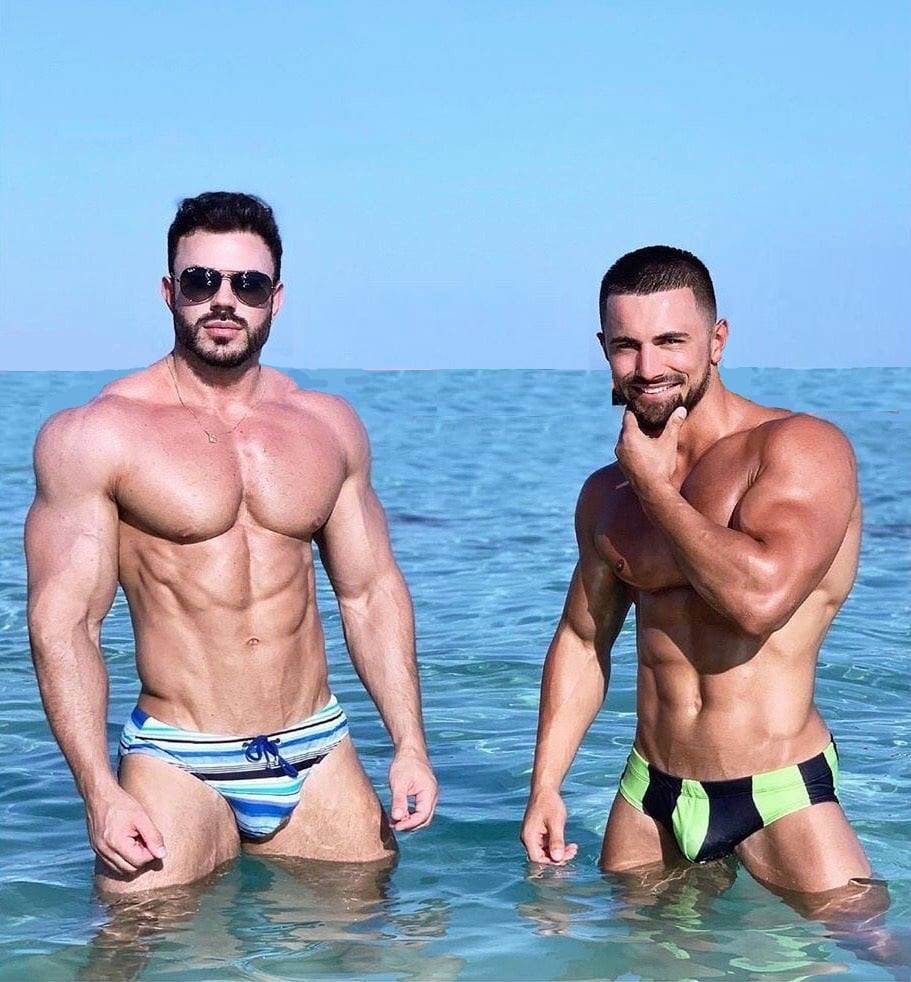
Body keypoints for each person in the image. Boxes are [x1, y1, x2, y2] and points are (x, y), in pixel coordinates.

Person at [26, 191, 437, 895]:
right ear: (169, 292)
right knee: (133, 937)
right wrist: (98, 790)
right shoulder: (96, 434)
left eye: (247, 283)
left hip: (316, 747)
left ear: (275, 298)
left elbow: (370, 594)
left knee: (373, 932)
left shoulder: (327, 426)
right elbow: (65, 625)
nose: (224, 300)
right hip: (177, 759)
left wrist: (410, 745)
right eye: (201, 280)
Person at [520, 245, 872, 895]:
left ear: (717, 340)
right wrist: (545, 786)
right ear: (603, 348)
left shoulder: (799, 449)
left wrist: (655, 488)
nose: (647, 368)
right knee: (627, 947)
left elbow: (758, 601)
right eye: (626, 346)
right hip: (648, 792)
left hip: (774, 788)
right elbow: (582, 638)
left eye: (670, 341)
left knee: (862, 940)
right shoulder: (606, 493)